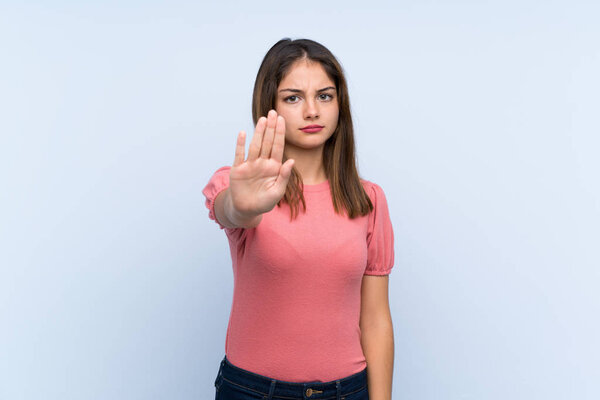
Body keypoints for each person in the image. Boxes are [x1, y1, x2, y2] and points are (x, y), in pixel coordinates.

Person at [203, 38, 395, 400]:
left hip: (346, 391)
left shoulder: (368, 200)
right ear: (269, 106)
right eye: (293, 97)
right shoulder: (243, 186)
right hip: (252, 390)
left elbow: (375, 319)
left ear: (340, 105)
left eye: (325, 96)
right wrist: (241, 205)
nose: (312, 111)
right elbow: (231, 209)